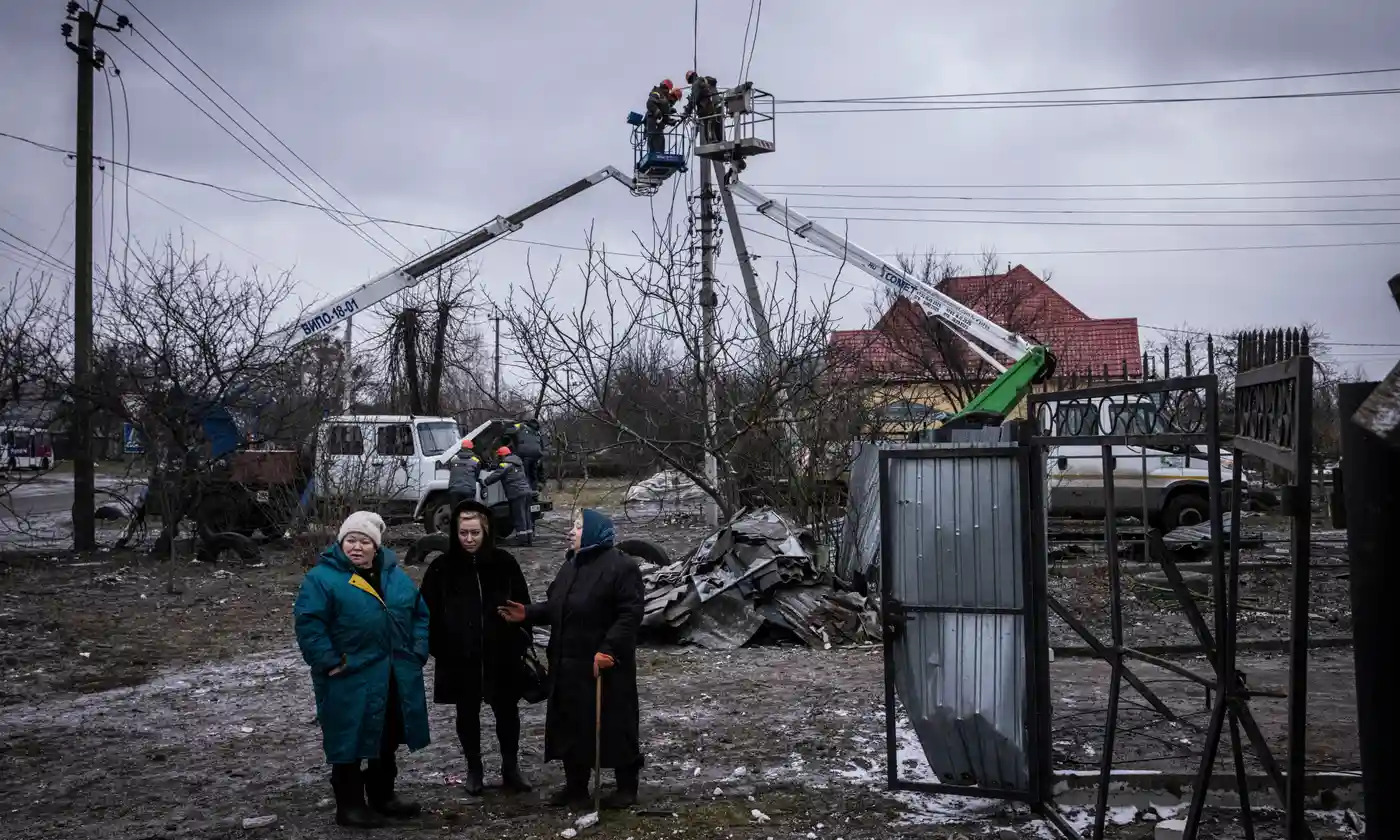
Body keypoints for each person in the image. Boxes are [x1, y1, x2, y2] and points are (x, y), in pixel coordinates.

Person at [499, 508, 645, 810]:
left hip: (604, 663)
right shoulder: (571, 565)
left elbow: (630, 614)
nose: (571, 532)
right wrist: (529, 612)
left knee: (615, 723)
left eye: (577, 527)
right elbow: (557, 605)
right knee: (570, 725)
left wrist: (609, 649)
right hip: (567, 662)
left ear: (593, 532)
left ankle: (626, 787)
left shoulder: (621, 567)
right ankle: (575, 786)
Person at [293, 511, 431, 829]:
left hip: (394, 672)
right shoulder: (322, 579)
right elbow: (309, 625)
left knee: (387, 735)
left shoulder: (394, 575)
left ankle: (383, 797)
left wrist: (417, 650)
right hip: (349, 674)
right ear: (341, 543)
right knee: (349, 739)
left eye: (364, 541)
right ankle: (350, 806)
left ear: (376, 546)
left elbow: (419, 614)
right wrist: (329, 661)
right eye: (350, 540)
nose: (356, 547)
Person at [419, 499, 534, 795]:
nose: (469, 539)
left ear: (486, 532)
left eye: (475, 533)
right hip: (460, 657)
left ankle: (511, 768)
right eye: (463, 533)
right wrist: (440, 647)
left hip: (501, 654)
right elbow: (425, 612)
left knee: (507, 712)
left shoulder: (504, 563)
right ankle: (474, 769)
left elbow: (524, 605)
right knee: (466, 713)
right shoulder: (441, 568)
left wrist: (520, 637)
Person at [482, 445, 534, 546]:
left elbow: (496, 475)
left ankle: (521, 540)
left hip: (516, 493)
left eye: (499, 456)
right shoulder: (519, 463)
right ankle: (529, 539)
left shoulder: (505, 465)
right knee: (527, 515)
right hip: (527, 491)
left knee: (519, 517)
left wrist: (485, 482)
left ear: (502, 456)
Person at [682, 70, 722, 144]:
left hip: (707, 109)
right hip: (717, 107)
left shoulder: (696, 84)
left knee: (707, 125)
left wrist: (687, 112)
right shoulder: (706, 81)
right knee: (716, 124)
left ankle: (711, 141)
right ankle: (719, 140)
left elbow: (694, 99)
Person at [644, 79, 678, 155]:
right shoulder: (657, 93)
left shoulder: (662, 96)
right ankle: (658, 157)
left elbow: (663, 114)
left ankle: (657, 157)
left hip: (656, 125)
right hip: (653, 124)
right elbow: (650, 103)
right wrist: (657, 112)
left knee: (659, 143)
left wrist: (670, 121)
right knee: (657, 143)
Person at [509, 419, 544, 491]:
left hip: (524, 455)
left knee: (525, 474)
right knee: (533, 475)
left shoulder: (521, 426)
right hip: (536, 455)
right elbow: (542, 445)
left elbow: (510, 430)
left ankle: (525, 492)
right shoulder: (538, 432)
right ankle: (534, 492)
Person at [447, 439, 482, 506]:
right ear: (471, 448)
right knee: (468, 511)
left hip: (454, 490)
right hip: (468, 490)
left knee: (455, 512)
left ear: (461, 448)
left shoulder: (453, 459)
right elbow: (477, 475)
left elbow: (450, 468)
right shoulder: (476, 461)